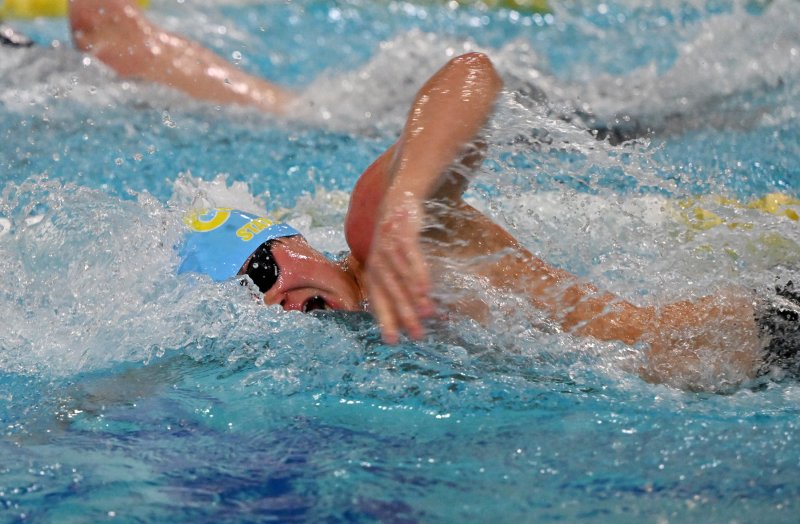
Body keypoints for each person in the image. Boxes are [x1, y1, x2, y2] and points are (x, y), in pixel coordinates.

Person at [71, 0, 797, 390]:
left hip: (763, 338)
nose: (271, 298)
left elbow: (472, 74)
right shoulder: (345, 356)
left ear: (294, 241)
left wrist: (409, 203)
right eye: (245, 299)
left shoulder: (376, 230)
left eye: (263, 268)